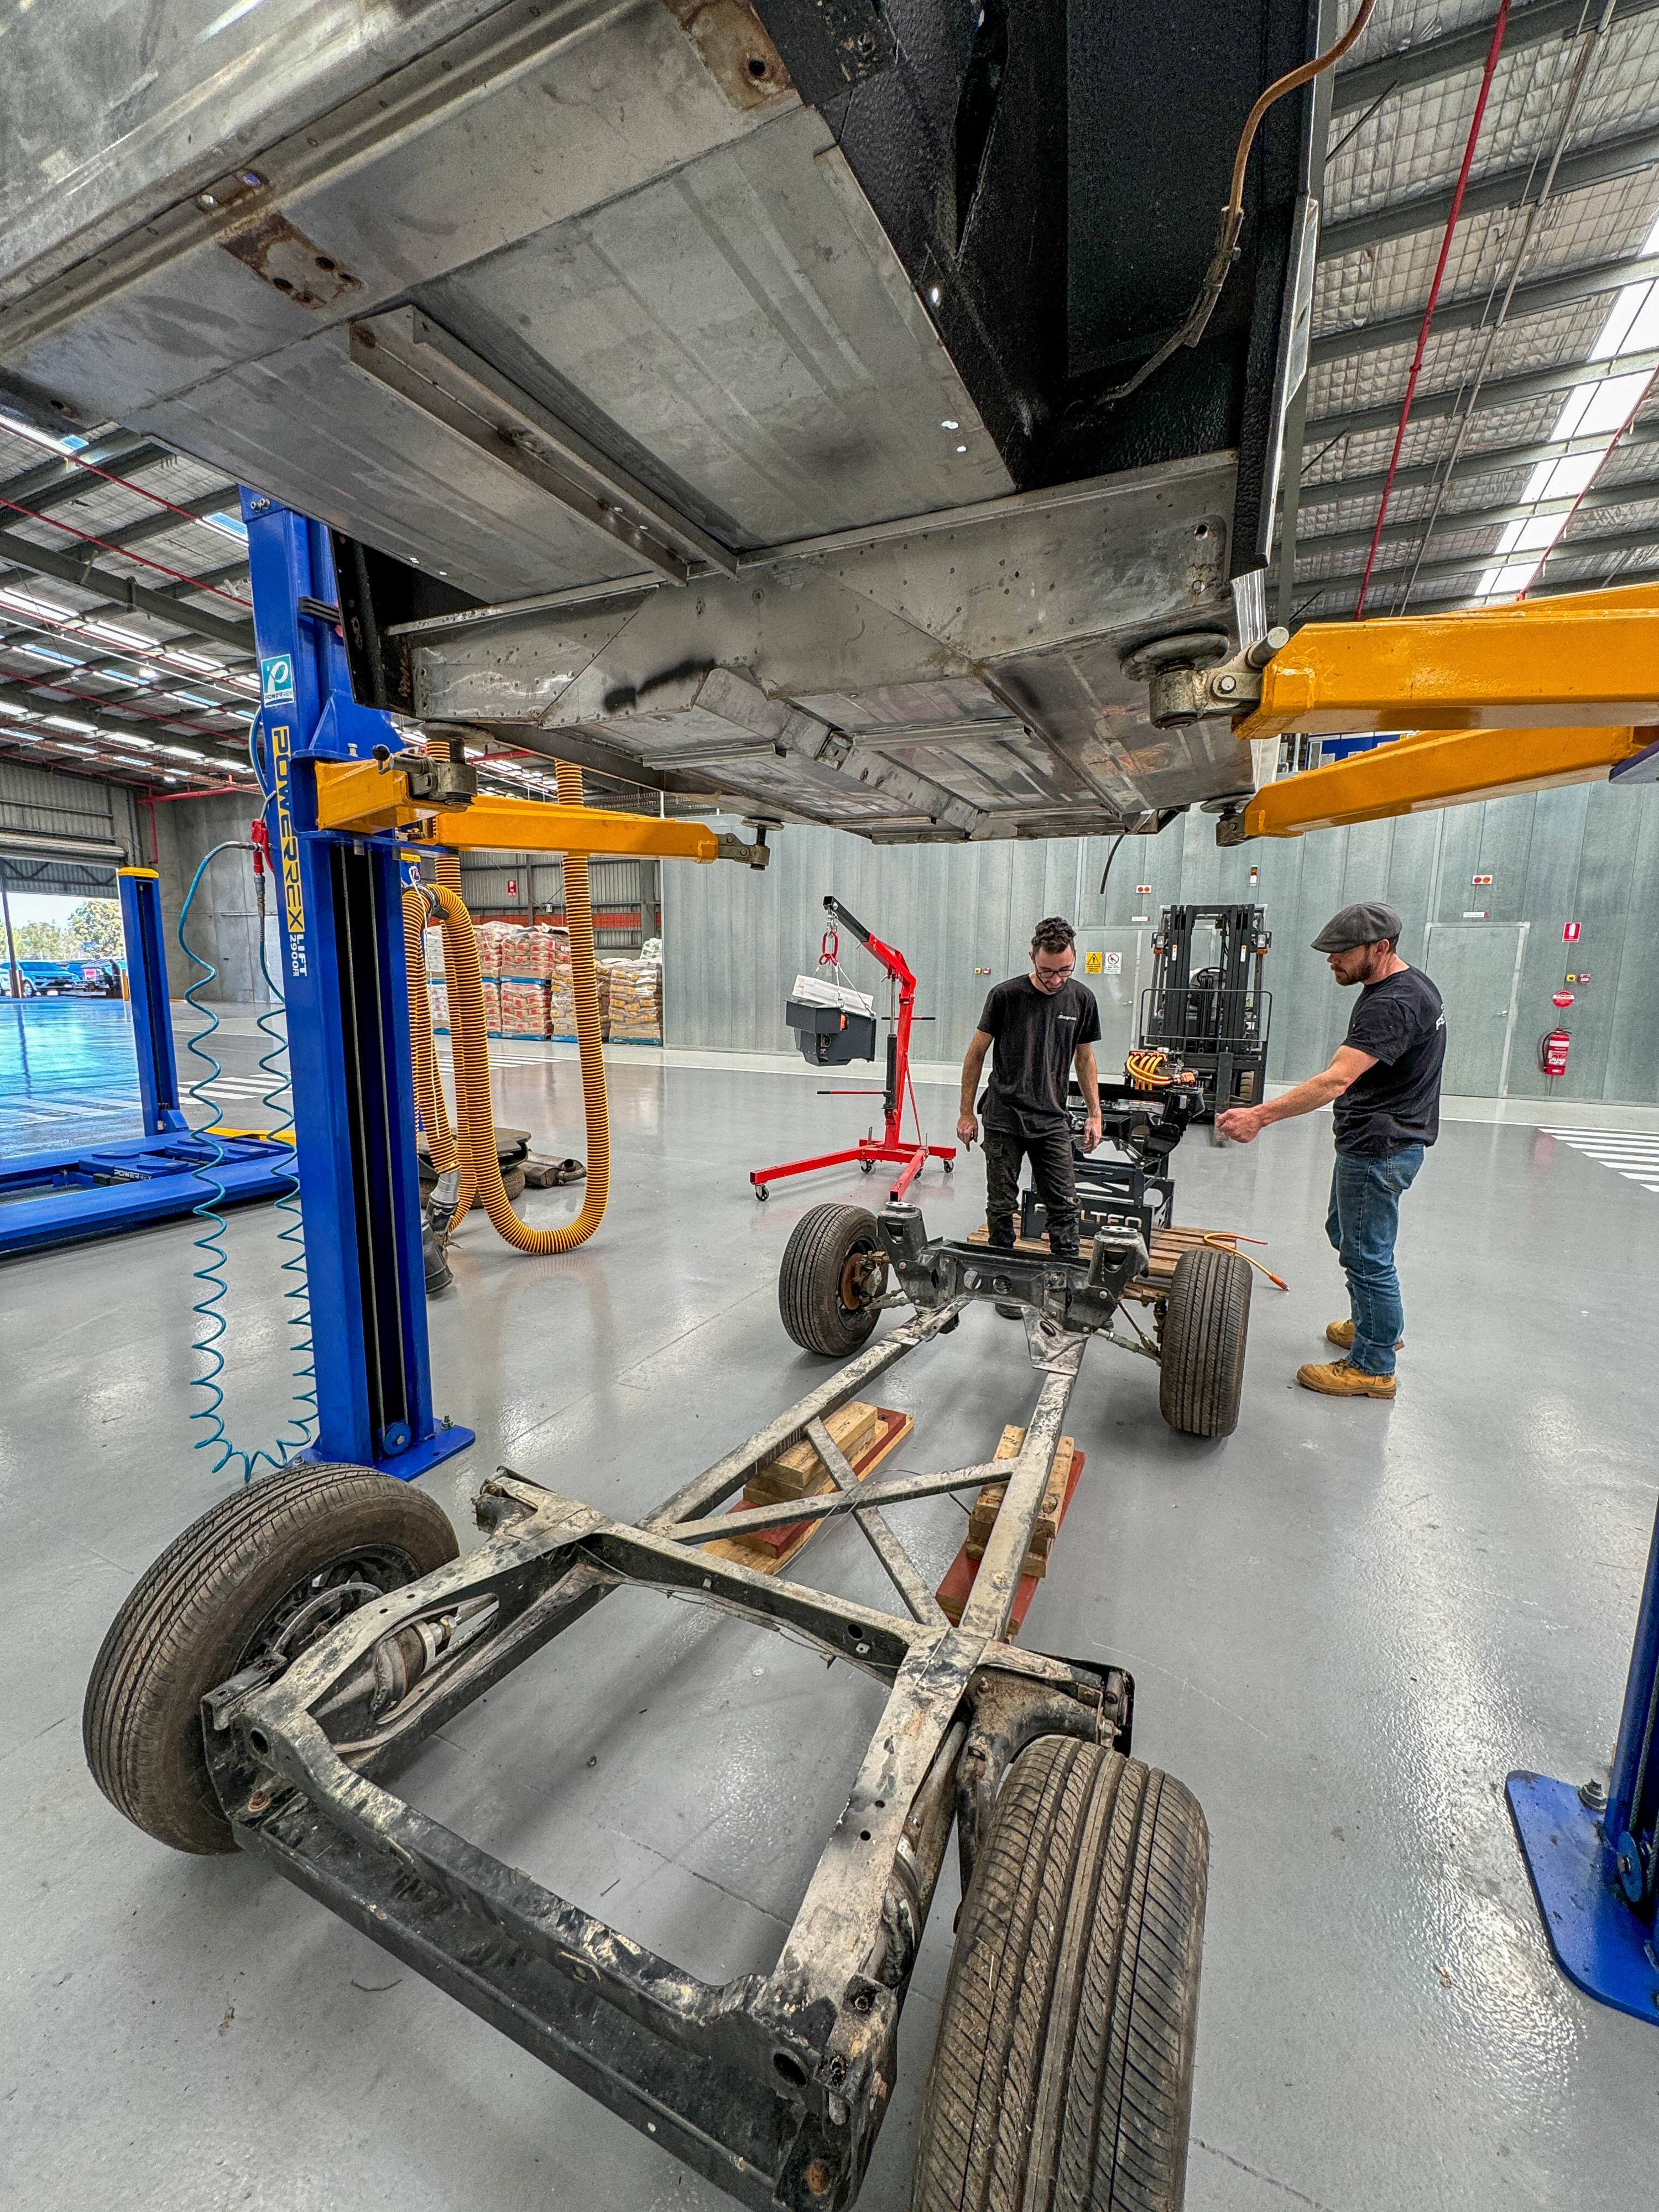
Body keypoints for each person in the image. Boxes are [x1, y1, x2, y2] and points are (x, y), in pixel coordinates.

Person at [1215, 900, 1444, 1401]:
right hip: (1383, 1139)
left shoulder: (1393, 1004)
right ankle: (1373, 1325)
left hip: (1380, 1145)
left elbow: (1337, 1079)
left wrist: (1259, 1116)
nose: (1331, 960)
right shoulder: (1405, 984)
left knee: (1367, 1254)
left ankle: (1373, 1364)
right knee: (1348, 1234)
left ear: (1380, 948)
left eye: (1342, 952)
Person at [958, 918, 1103, 1292]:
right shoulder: (1005, 996)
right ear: (1032, 958)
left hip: (1053, 1119)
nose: (1056, 980)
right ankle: (1004, 1282)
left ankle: (1064, 1286)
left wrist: (1095, 1114)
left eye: (1064, 971)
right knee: (1002, 1206)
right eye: (1047, 972)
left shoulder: (1082, 999)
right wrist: (966, 1112)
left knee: (1064, 1205)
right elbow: (975, 1054)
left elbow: (1084, 1059)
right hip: (1005, 1116)